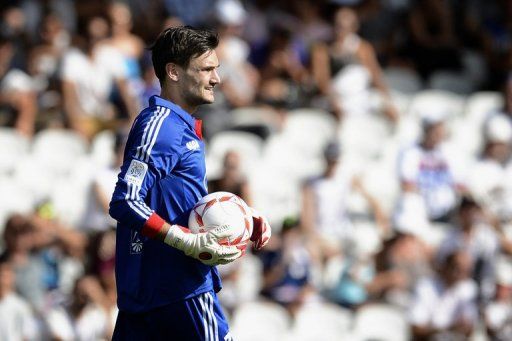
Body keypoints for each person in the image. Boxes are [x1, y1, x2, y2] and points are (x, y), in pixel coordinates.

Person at [109, 26, 271, 340]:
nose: (216, 79)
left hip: (150, 296)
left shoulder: (179, 127)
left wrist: (241, 218)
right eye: (207, 69)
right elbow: (125, 200)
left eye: (217, 69)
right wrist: (183, 240)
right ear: (173, 71)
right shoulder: (161, 126)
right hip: (180, 290)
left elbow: (179, 200)